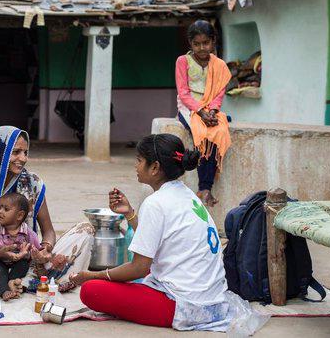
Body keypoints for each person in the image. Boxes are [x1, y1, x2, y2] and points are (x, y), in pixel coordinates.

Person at [71, 134, 264, 333]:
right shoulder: (186, 195)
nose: (135, 166)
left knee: (91, 290)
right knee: (125, 277)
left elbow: (140, 268)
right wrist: (129, 214)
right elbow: (153, 243)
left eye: (139, 161)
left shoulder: (155, 203)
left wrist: (94, 275)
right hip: (212, 299)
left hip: (184, 305)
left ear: (154, 168)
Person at [0, 126, 94, 296]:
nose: (22, 158)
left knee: (85, 230)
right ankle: (14, 285)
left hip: (29, 262)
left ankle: (20, 283)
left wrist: (45, 249)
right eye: (16, 152)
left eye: (25, 152)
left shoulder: (33, 182)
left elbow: (49, 230)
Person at [175, 19, 232, 207]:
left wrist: (213, 111)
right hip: (189, 107)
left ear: (213, 41)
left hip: (211, 108)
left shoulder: (220, 65)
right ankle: (205, 187)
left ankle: (205, 188)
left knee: (219, 132)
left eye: (206, 43)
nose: (201, 48)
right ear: (190, 43)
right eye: (197, 44)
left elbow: (219, 92)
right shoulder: (183, 61)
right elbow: (183, 92)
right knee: (202, 134)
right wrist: (200, 111)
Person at [0, 193, 40, 301]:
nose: (0, 212)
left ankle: (12, 282)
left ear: (19, 216)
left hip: (19, 262)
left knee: (23, 265)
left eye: (6, 209)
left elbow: (38, 250)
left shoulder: (28, 233)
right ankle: (3, 291)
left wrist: (39, 255)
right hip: (1, 260)